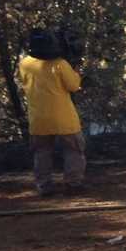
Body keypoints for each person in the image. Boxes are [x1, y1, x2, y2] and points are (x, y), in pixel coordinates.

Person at [20, 28, 86, 196]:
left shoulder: (24, 63)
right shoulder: (60, 64)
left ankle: (44, 186)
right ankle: (73, 184)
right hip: (63, 117)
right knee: (73, 150)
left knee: (42, 152)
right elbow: (74, 86)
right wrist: (76, 69)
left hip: (38, 119)